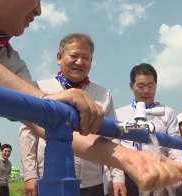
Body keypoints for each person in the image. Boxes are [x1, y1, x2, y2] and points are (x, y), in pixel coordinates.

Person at [0, 0, 182, 195]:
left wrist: (128, 157)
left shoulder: (9, 61)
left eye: (87, 57)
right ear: (59, 58)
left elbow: (48, 124)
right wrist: (43, 99)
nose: (39, 10)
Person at [18, 33, 126, 196]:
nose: (79, 62)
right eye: (74, 56)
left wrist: (118, 177)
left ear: (91, 62)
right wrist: (29, 175)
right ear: (59, 58)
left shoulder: (104, 94)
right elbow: (27, 133)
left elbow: (112, 136)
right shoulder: (39, 89)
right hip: (50, 179)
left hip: (92, 182)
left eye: (86, 57)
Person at [114, 63, 182, 196]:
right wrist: (117, 179)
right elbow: (115, 147)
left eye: (150, 85)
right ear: (131, 86)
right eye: (141, 86)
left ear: (156, 86)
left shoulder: (167, 113)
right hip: (129, 176)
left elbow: (175, 144)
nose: (146, 91)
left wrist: (177, 167)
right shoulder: (119, 114)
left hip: (159, 176)